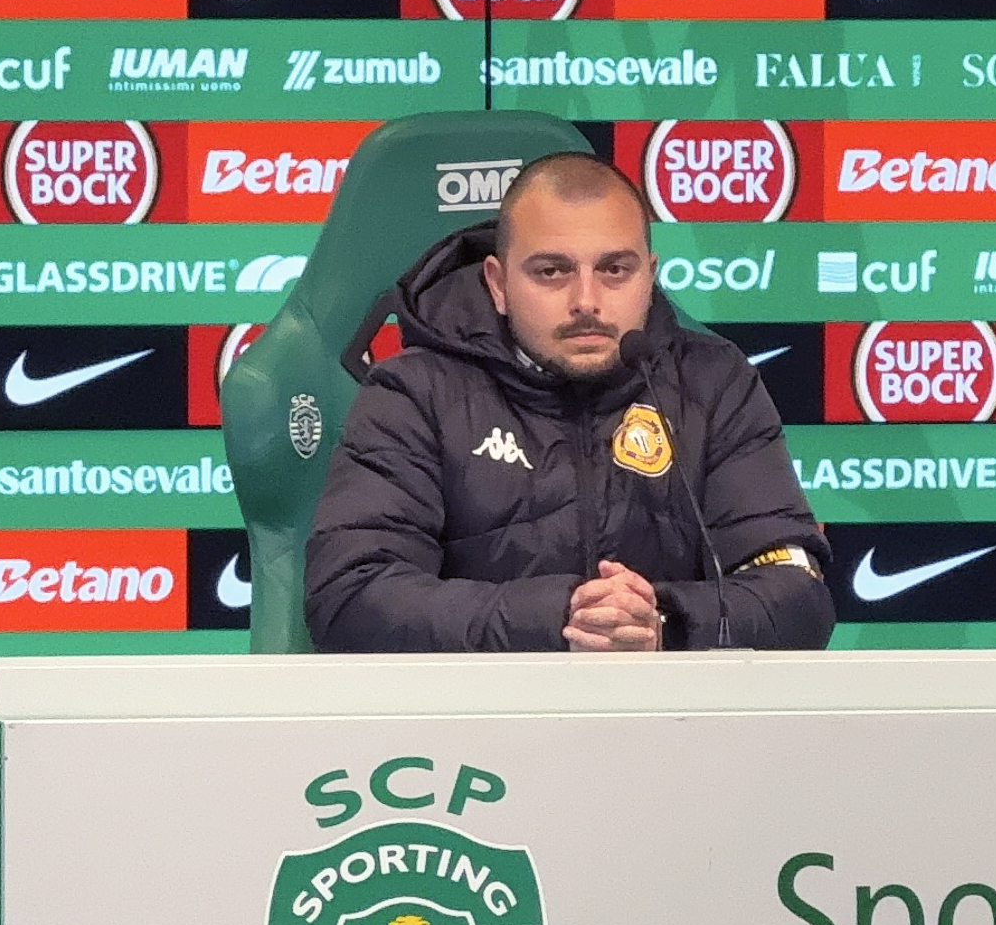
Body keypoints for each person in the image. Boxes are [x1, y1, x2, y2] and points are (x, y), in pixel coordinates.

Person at [307, 151, 833, 652]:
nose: (586, 301)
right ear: (498, 284)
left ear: (649, 278)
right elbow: (351, 595)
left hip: (668, 709)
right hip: (481, 714)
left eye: (614, 270)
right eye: (552, 271)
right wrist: (563, 618)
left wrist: (662, 623)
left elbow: (798, 593)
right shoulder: (413, 392)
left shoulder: (714, 384)